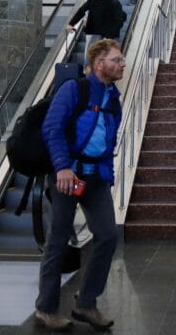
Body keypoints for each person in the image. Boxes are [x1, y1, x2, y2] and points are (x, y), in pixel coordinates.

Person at [35, 39, 125, 330]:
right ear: (100, 64)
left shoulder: (114, 99)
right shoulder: (74, 89)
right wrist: (61, 167)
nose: (122, 64)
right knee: (58, 238)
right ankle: (46, 308)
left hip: (96, 177)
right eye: (117, 60)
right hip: (67, 175)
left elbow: (109, 142)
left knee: (108, 235)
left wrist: (108, 176)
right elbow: (52, 128)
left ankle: (86, 303)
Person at [67, 0, 127, 66]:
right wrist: (71, 24)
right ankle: (88, 75)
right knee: (91, 57)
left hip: (110, 35)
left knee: (111, 60)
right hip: (96, 32)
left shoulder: (114, 2)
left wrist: (108, 36)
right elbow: (81, 11)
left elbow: (119, 21)